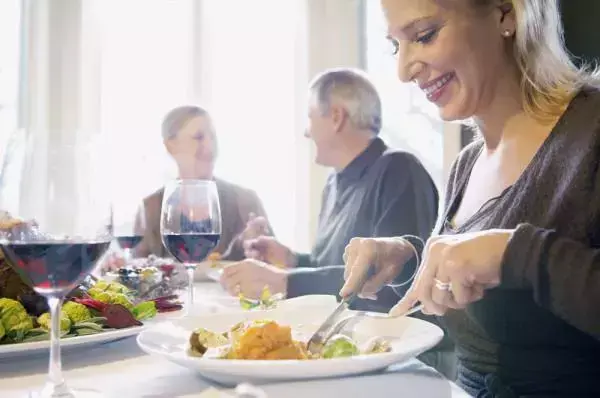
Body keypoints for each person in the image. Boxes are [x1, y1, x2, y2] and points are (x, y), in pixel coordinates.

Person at [340, 0, 600, 396]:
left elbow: (517, 260)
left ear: (505, 14)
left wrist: (516, 254)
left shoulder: (592, 131)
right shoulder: (467, 163)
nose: (404, 70)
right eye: (396, 45)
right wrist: (411, 260)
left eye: (424, 35)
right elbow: (477, 303)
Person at [220, 68, 439, 314]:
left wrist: (284, 282)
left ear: (336, 117)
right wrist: (293, 260)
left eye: (310, 117)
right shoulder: (333, 183)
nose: (306, 131)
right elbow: (332, 266)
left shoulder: (399, 169)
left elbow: (392, 281)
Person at [135, 105, 273, 261]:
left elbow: (274, 267)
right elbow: (137, 271)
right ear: (170, 146)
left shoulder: (246, 201)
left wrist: (254, 246)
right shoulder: (150, 208)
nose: (210, 146)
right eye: (199, 137)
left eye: (213, 137)